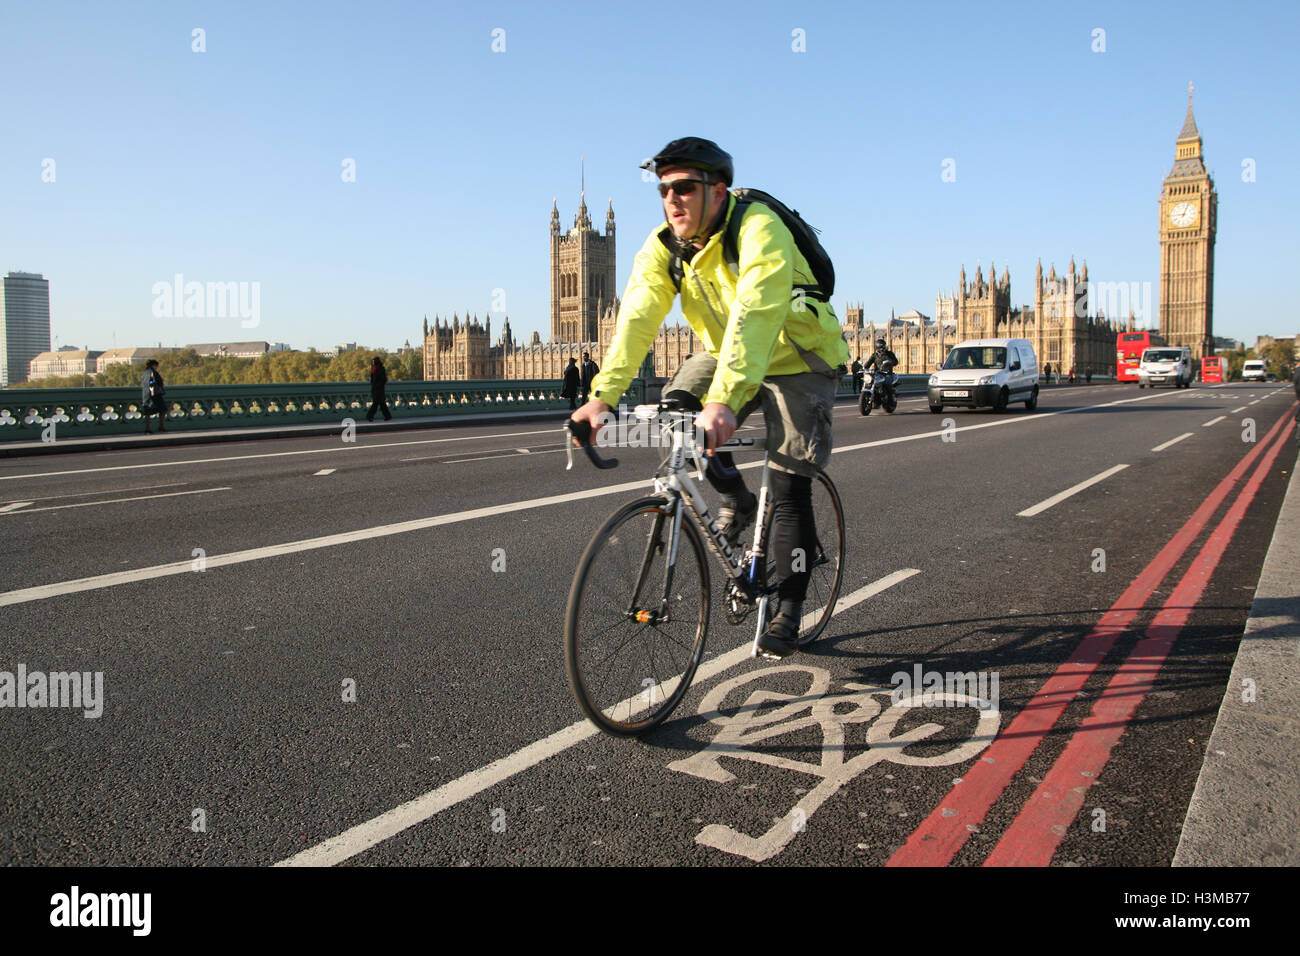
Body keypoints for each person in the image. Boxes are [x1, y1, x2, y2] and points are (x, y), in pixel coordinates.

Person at [569, 136, 849, 659]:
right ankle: (737, 499)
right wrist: (601, 396)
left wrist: (724, 401)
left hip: (797, 356)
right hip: (727, 352)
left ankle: (789, 610)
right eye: (663, 190)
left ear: (717, 191)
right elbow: (636, 318)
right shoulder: (664, 247)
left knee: (788, 485)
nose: (672, 199)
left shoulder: (759, 228)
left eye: (683, 188)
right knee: (678, 406)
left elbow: (757, 313)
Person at [141, 358, 166, 433]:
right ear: (153, 365)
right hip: (155, 395)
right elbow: (157, 383)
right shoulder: (153, 373)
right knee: (163, 409)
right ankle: (161, 426)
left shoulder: (144, 373)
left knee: (147, 411)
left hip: (145, 394)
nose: (156, 367)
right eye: (156, 366)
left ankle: (147, 428)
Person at [366, 356, 392, 421]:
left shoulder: (380, 369)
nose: (373, 363)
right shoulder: (374, 369)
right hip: (376, 389)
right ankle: (387, 416)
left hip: (378, 389)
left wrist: (377, 385)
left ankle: (370, 416)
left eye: (374, 361)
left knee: (376, 403)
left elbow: (383, 379)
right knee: (381, 403)